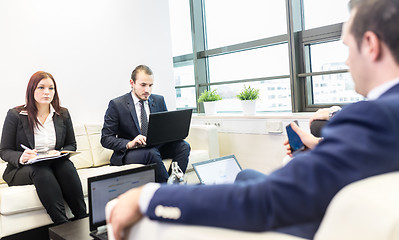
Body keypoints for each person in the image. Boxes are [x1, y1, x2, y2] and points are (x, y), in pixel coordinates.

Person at [108, 0, 399, 239]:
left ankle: (168, 191)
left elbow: (265, 201)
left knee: (225, 180)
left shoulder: (374, 116)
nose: (347, 60)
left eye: (347, 46)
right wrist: (316, 146)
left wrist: (148, 197)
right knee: (246, 175)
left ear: (371, 44)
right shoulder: (381, 114)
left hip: (304, 221)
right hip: (133, 151)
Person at [0, 71, 86, 225]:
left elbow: (71, 144)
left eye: (51, 88)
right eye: (41, 87)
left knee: (66, 166)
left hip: (53, 163)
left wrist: (59, 152)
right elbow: (4, 151)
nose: (47, 92)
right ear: (31, 89)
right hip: (24, 169)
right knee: (40, 170)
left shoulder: (62, 113)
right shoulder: (15, 115)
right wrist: (22, 156)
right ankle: (63, 225)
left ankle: (83, 219)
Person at [101, 65, 190, 183]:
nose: (147, 90)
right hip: (130, 152)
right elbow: (105, 139)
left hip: (155, 147)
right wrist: (129, 143)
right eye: (143, 85)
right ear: (132, 83)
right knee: (151, 153)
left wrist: (173, 133)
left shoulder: (159, 100)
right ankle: (168, 192)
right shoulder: (117, 105)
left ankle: (173, 186)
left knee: (184, 146)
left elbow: (165, 128)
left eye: (150, 85)